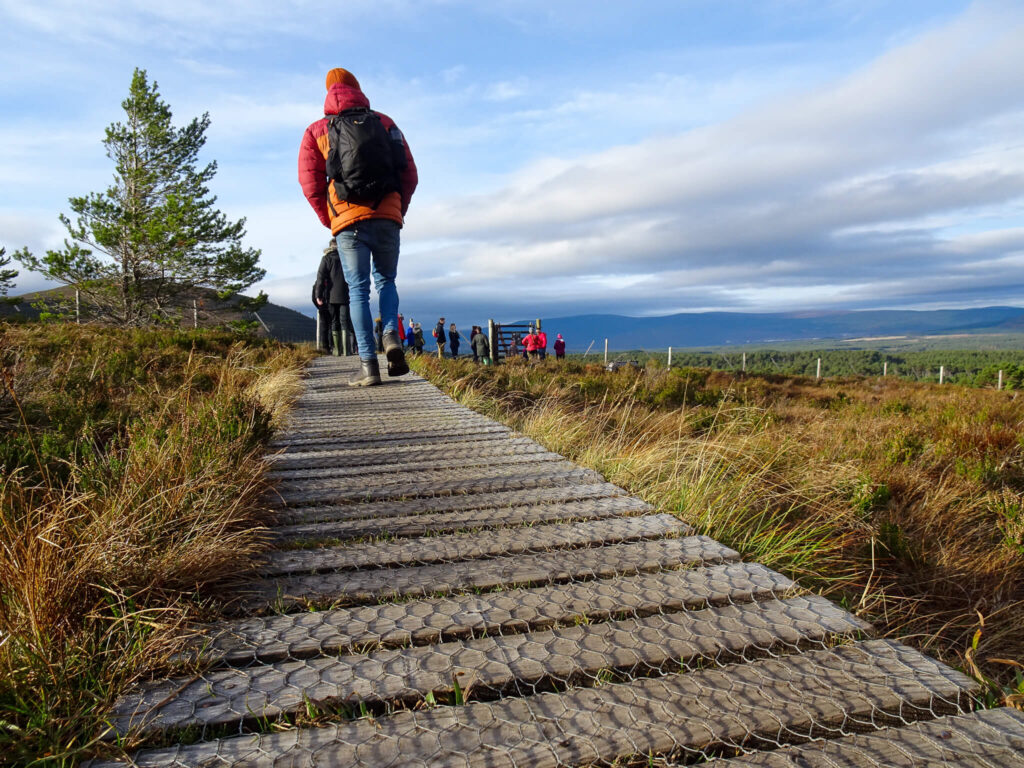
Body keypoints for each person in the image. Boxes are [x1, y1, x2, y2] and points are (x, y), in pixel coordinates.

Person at [299, 67, 418, 386]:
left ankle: (368, 367)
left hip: (347, 221)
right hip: (388, 216)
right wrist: (396, 210)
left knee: (359, 292)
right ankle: (391, 334)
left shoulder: (316, 131)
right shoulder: (385, 122)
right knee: (387, 281)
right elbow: (410, 174)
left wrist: (332, 220)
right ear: (358, 89)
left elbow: (310, 183)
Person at [313, 241, 356, 356]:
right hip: (344, 294)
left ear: (330, 246)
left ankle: (337, 350)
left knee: (334, 322)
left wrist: (318, 295)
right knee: (344, 322)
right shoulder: (346, 257)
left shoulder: (326, 259)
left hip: (331, 295)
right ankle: (347, 351)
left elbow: (320, 277)